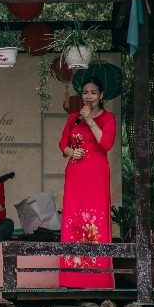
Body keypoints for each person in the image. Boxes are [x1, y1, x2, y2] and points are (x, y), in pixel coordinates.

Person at [59, 76, 116, 289]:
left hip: (96, 173)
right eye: (85, 93)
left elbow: (107, 144)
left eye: (93, 92)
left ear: (101, 96)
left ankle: (96, 278)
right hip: (75, 173)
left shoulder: (107, 117)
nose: (88, 96)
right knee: (74, 220)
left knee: (95, 220)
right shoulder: (73, 117)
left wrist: (90, 119)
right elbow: (62, 143)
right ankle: (73, 279)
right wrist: (70, 151)